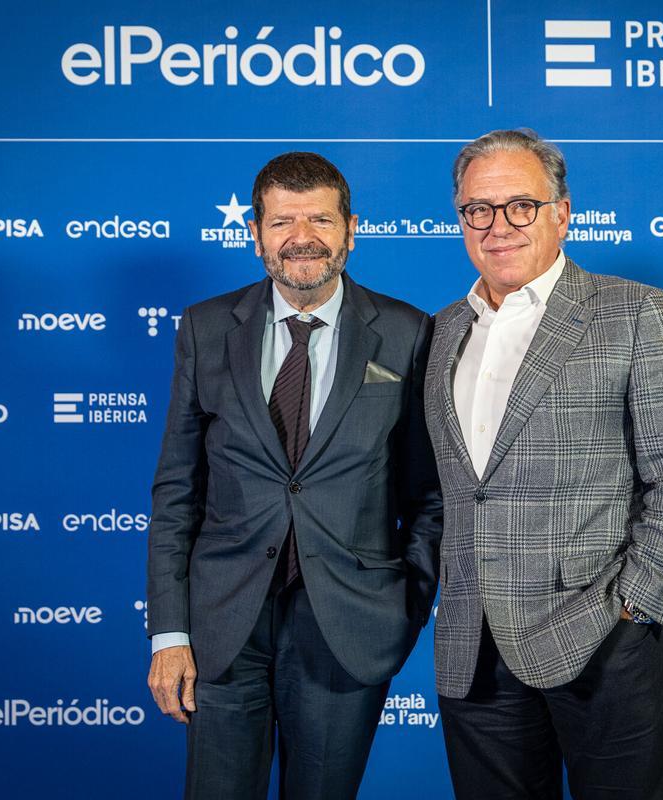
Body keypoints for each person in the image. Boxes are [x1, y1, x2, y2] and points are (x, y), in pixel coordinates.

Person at [424, 129, 663, 800]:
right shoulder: (442, 330)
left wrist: (638, 607)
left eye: (519, 206)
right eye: (478, 208)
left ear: (562, 212)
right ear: (461, 219)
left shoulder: (636, 311)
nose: (497, 226)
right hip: (474, 648)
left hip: (602, 635)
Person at [146, 152, 442, 799]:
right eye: (282, 221)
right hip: (222, 626)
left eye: (319, 219)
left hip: (349, 626)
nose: (301, 237)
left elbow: (429, 495)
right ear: (256, 233)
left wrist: (405, 608)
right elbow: (176, 490)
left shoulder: (408, 333)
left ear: (350, 230)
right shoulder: (204, 328)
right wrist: (169, 632)